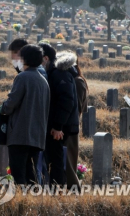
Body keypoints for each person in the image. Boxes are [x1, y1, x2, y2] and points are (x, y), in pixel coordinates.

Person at [0, 44, 50, 185]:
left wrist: (2, 108)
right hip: (36, 136)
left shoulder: (23, 77)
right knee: (31, 173)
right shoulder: (43, 80)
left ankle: (21, 202)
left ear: (25, 59)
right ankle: (32, 200)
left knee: (18, 173)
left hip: (20, 134)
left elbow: (11, 103)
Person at [39, 44, 79, 187]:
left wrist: (57, 126)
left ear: (46, 58)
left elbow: (66, 101)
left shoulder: (59, 73)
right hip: (57, 124)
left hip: (60, 127)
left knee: (55, 160)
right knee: (53, 158)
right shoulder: (53, 72)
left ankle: (57, 190)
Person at [65, 58, 88, 189]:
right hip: (69, 126)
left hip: (71, 127)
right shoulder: (74, 80)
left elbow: (78, 107)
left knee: (69, 161)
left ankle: (74, 189)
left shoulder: (78, 82)